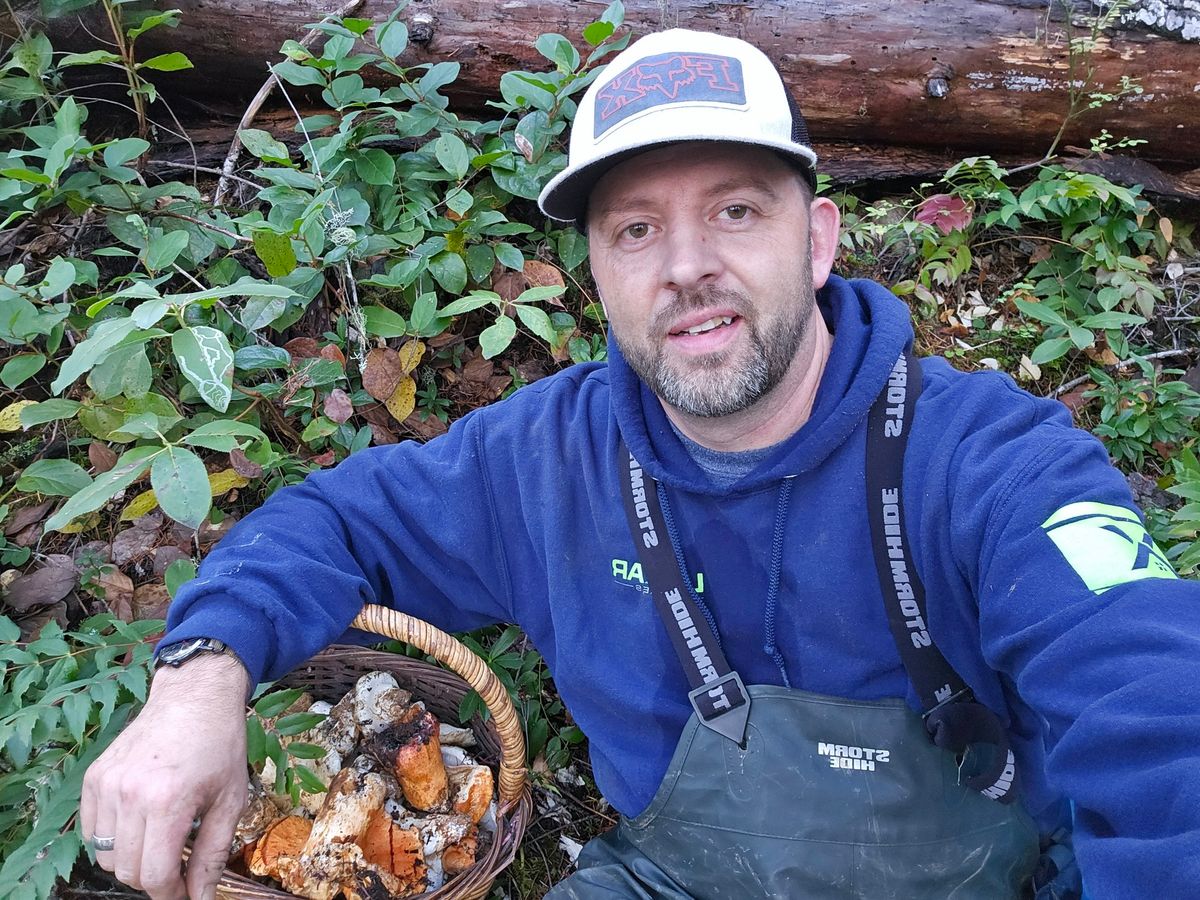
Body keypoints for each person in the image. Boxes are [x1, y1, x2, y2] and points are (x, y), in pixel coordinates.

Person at [82, 28, 1200, 900]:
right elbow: (334, 524)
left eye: (736, 210)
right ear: (597, 274)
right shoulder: (544, 462)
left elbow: (1159, 723)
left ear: (817, 243)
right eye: (634, 229)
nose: (687, 268)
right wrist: (201, 677)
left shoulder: (990, 466)